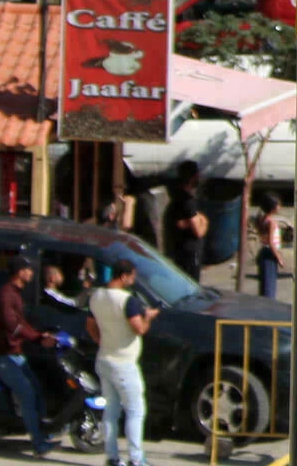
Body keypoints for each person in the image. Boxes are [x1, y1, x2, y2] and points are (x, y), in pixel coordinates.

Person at [86, 255, 154, 466]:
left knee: (111, 411)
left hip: (104, 359)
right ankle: (135, 458)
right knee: (136, 410)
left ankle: (113, 457)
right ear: (124, 277)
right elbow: (139, 328)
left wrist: (101, 340)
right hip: (124, 363)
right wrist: (149, 317)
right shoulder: (128, 301)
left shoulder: (97, 295)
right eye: (132, 277)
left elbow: (90, 324)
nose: (133, 281)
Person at [0, 254, 53, 454]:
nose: (32, 272)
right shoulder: (6, 294)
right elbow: (12, 325)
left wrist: (40, 335)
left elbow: (21, 323)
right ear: (20, 272)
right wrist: (36, 338)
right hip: (1, 355)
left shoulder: (15, 293)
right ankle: (38, 443)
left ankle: (45, 432)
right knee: (27, 393)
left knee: (36, 387)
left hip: (14, 353)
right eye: (29, 269)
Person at [164, 162, 209, 280]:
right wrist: (204, 221)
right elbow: (198, 231)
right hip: (189, 254)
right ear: (193, 177)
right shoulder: (187, 202)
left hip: (179, 251)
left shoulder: (176, 197)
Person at [251, 190, 286, 300]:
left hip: (263, 252)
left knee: (264, 284)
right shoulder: (272, 222)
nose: (280, 207)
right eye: (278, 205)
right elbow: (271, 242)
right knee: (269, 286)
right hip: (270, 254)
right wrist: (279, 257)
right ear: (273, 207)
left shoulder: (261, 219)